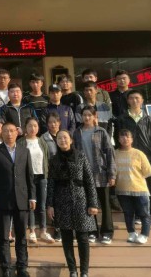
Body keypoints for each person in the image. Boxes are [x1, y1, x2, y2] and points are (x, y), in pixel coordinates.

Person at [47, 130, 98, 277]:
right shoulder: (54, 160)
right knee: (66, 238)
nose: (62, 140)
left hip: (81, 200)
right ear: (56, 142)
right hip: (61, 201)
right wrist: (50, 205)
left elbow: (89, 180)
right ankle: (72, 270)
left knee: (83, 238)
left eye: (65, 137)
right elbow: (51, 184)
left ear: (71, 140)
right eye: (59, 138)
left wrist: (93, 203)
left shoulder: (80, 156)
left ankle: (84, 271)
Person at [0, 122, 35, 277]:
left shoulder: (24, 151)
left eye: (12, 131)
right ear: (1, 133)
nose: (9, 134)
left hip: (22, 198)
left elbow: (29, 176)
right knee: (3, 236)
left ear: (17, 133)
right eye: (6, 131)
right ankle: (6, 268)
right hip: (3, 199)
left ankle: (22, 267)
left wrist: (32, 197)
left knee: (21, 236)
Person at [113, 89, 151, 224]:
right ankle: (137, 215)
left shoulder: (148, 119)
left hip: (147, 156)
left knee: (150, 186)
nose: (134, 100)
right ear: (128, 101)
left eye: (137, 98)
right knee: (132, 185)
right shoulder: (122, 118)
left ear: (142, 101)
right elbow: (117, 138)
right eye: (131, 98)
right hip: (129, 156)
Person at [73, 105, 116, 245]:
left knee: (105, 203)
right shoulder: (77, 132)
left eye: (89, 115)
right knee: (89, 203)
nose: (86, 117)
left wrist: (112, 174)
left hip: (101, 173)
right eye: (84, 115)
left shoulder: (101, 131)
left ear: (94, 116)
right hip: (84, 174)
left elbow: (109, 153)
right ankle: (92, 231)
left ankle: (107, 232)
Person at [17, 117, 54, 244]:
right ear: (25, 128)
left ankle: (43, 231)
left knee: (42, 205)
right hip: (28, 177)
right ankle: (32, 231)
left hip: (42, 176)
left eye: (35, 126)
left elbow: (47, 158)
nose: (32, 128)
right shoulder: (21, 142)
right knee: (31, 204)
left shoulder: (42, 141)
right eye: (30, 126)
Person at [114, 129, 151, 244]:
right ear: (118, 139)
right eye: (122, 136)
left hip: (139, 190)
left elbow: (148, 173)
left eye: (127, 136)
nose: (125, 139)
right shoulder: (115, 154)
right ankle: (131, 233)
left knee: (144, 214)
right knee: (128, 213)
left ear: (132, 139)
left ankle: (144, 234)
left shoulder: (139, 154)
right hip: (122, 190)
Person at [41, 112, 62, 241]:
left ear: (59, 123)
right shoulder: (43, 138)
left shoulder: (64, 135)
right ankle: (57, 228)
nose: (53, 124)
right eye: (50, 122)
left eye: (55, 122)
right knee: (54, 201)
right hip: (51, 173)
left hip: (65, 173)